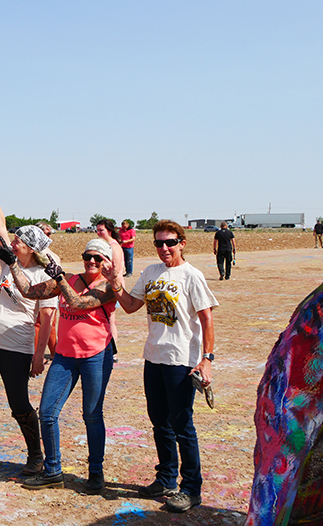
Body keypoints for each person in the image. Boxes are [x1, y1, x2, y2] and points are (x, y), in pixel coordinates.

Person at [101, 220, 219, 513]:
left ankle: (191, 489)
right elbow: (130, 305)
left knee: (182, 425)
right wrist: (115, 281)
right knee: (159, 422)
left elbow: (206, 318)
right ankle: (166, 477)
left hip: (181, 361)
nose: (164, 248)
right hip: (153, 358)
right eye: (158, 243)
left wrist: (207, 358)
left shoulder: (191, 275)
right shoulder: (151, 272)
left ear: (182, 243)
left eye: (169, 242)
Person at [2, 238, 116, 495]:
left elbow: (77, 303)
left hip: (96, 355)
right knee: (47, 412)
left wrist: (60, 278)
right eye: (88, 256)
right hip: (65, 357)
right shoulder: (70, 279)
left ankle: (96, 473)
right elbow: (29, 291)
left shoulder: (108, 286)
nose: (92, 261)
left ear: (107, 262)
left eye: (98, 258)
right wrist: (13, 265)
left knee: (91, 415)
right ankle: (53, 471)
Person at [0, 166, 58, 476]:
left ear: (32, 248)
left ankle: (35, 455)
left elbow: (46, 320)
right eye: (13, 240)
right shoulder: (9, 263)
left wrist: (38, 355)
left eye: (19, 242)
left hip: (16, 346)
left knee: (19, 403)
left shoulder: (44, 277)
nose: (12, 243)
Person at [96, 219, 124, 361]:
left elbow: (117, 269)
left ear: (109, 231)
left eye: (101, 230)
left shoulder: (113, 246)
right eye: (97, 230)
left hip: (112, 287)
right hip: (105, 286)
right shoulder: (106, 245)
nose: (98, 233)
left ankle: (112, 352)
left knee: (110, 320)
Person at [35, 221, 60, 358]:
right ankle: (38, 353)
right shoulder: (36, 251)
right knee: (40, 323)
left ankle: (54, 352)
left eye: (50, 234)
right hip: (41, 288)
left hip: (50, 289)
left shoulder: (48, 252)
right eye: (46, 234)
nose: (49, 237)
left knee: (50, 323)